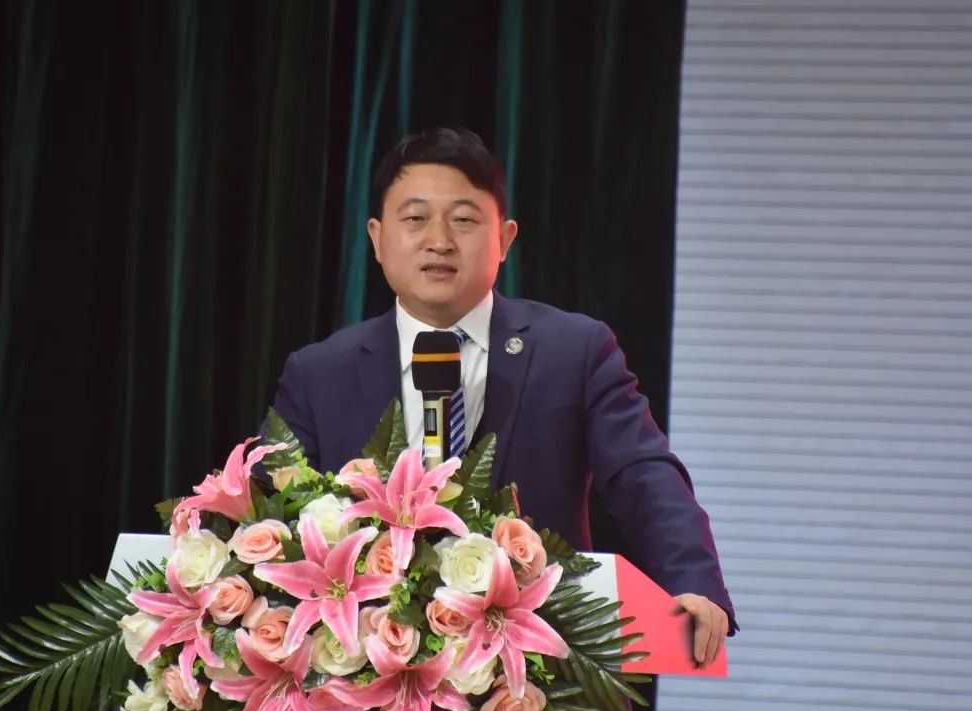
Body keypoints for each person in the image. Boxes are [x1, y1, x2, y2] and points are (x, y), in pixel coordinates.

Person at [266, 127, 736, 670]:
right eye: (415, 219)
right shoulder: (320, 373)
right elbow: (267, 511)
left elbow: (642, 472)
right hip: (367, 673)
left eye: (464, 220)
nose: (440, 240)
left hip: (541, 674)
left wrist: (691, 578)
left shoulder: (574, 351)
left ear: (505, 239)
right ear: (376, 238)